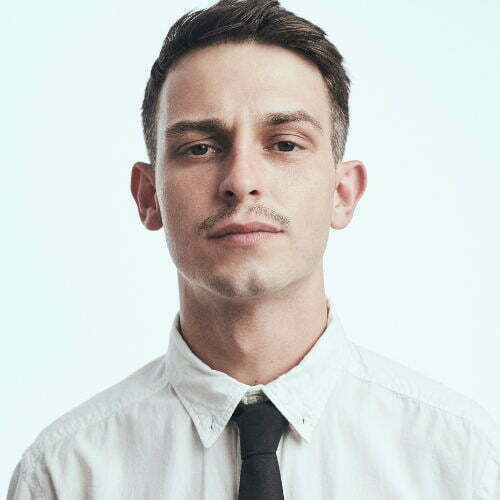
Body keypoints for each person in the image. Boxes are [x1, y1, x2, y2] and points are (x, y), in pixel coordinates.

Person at [7, 0, 500, 498]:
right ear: (148, 196)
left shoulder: (462, 463)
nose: (240, 181)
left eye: (285, 144)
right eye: (200, 148)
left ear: (342, 193)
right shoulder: (64, 475)